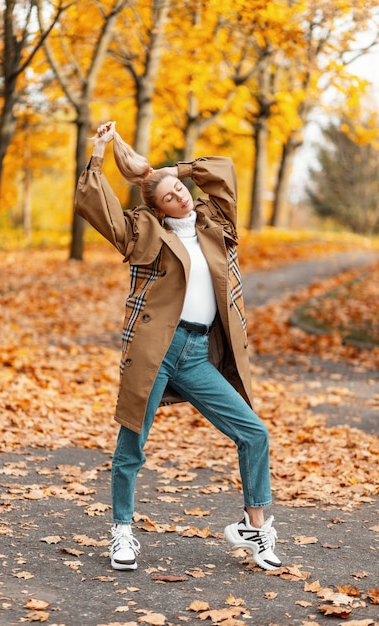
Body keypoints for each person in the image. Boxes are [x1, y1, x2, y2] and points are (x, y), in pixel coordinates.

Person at [74, 121, 282, 573]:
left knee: (254, 432)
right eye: (169, 195)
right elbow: (94, 205)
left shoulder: (216, 224)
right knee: (132, 443)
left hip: (198, 353)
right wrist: (99, 151)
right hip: (155, 351)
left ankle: (254, 528)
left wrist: (170, 168)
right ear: (157, 208)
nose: (181, 196)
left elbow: (223, 170)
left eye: (181, 189)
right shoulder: (143, 230)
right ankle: (122, 533)